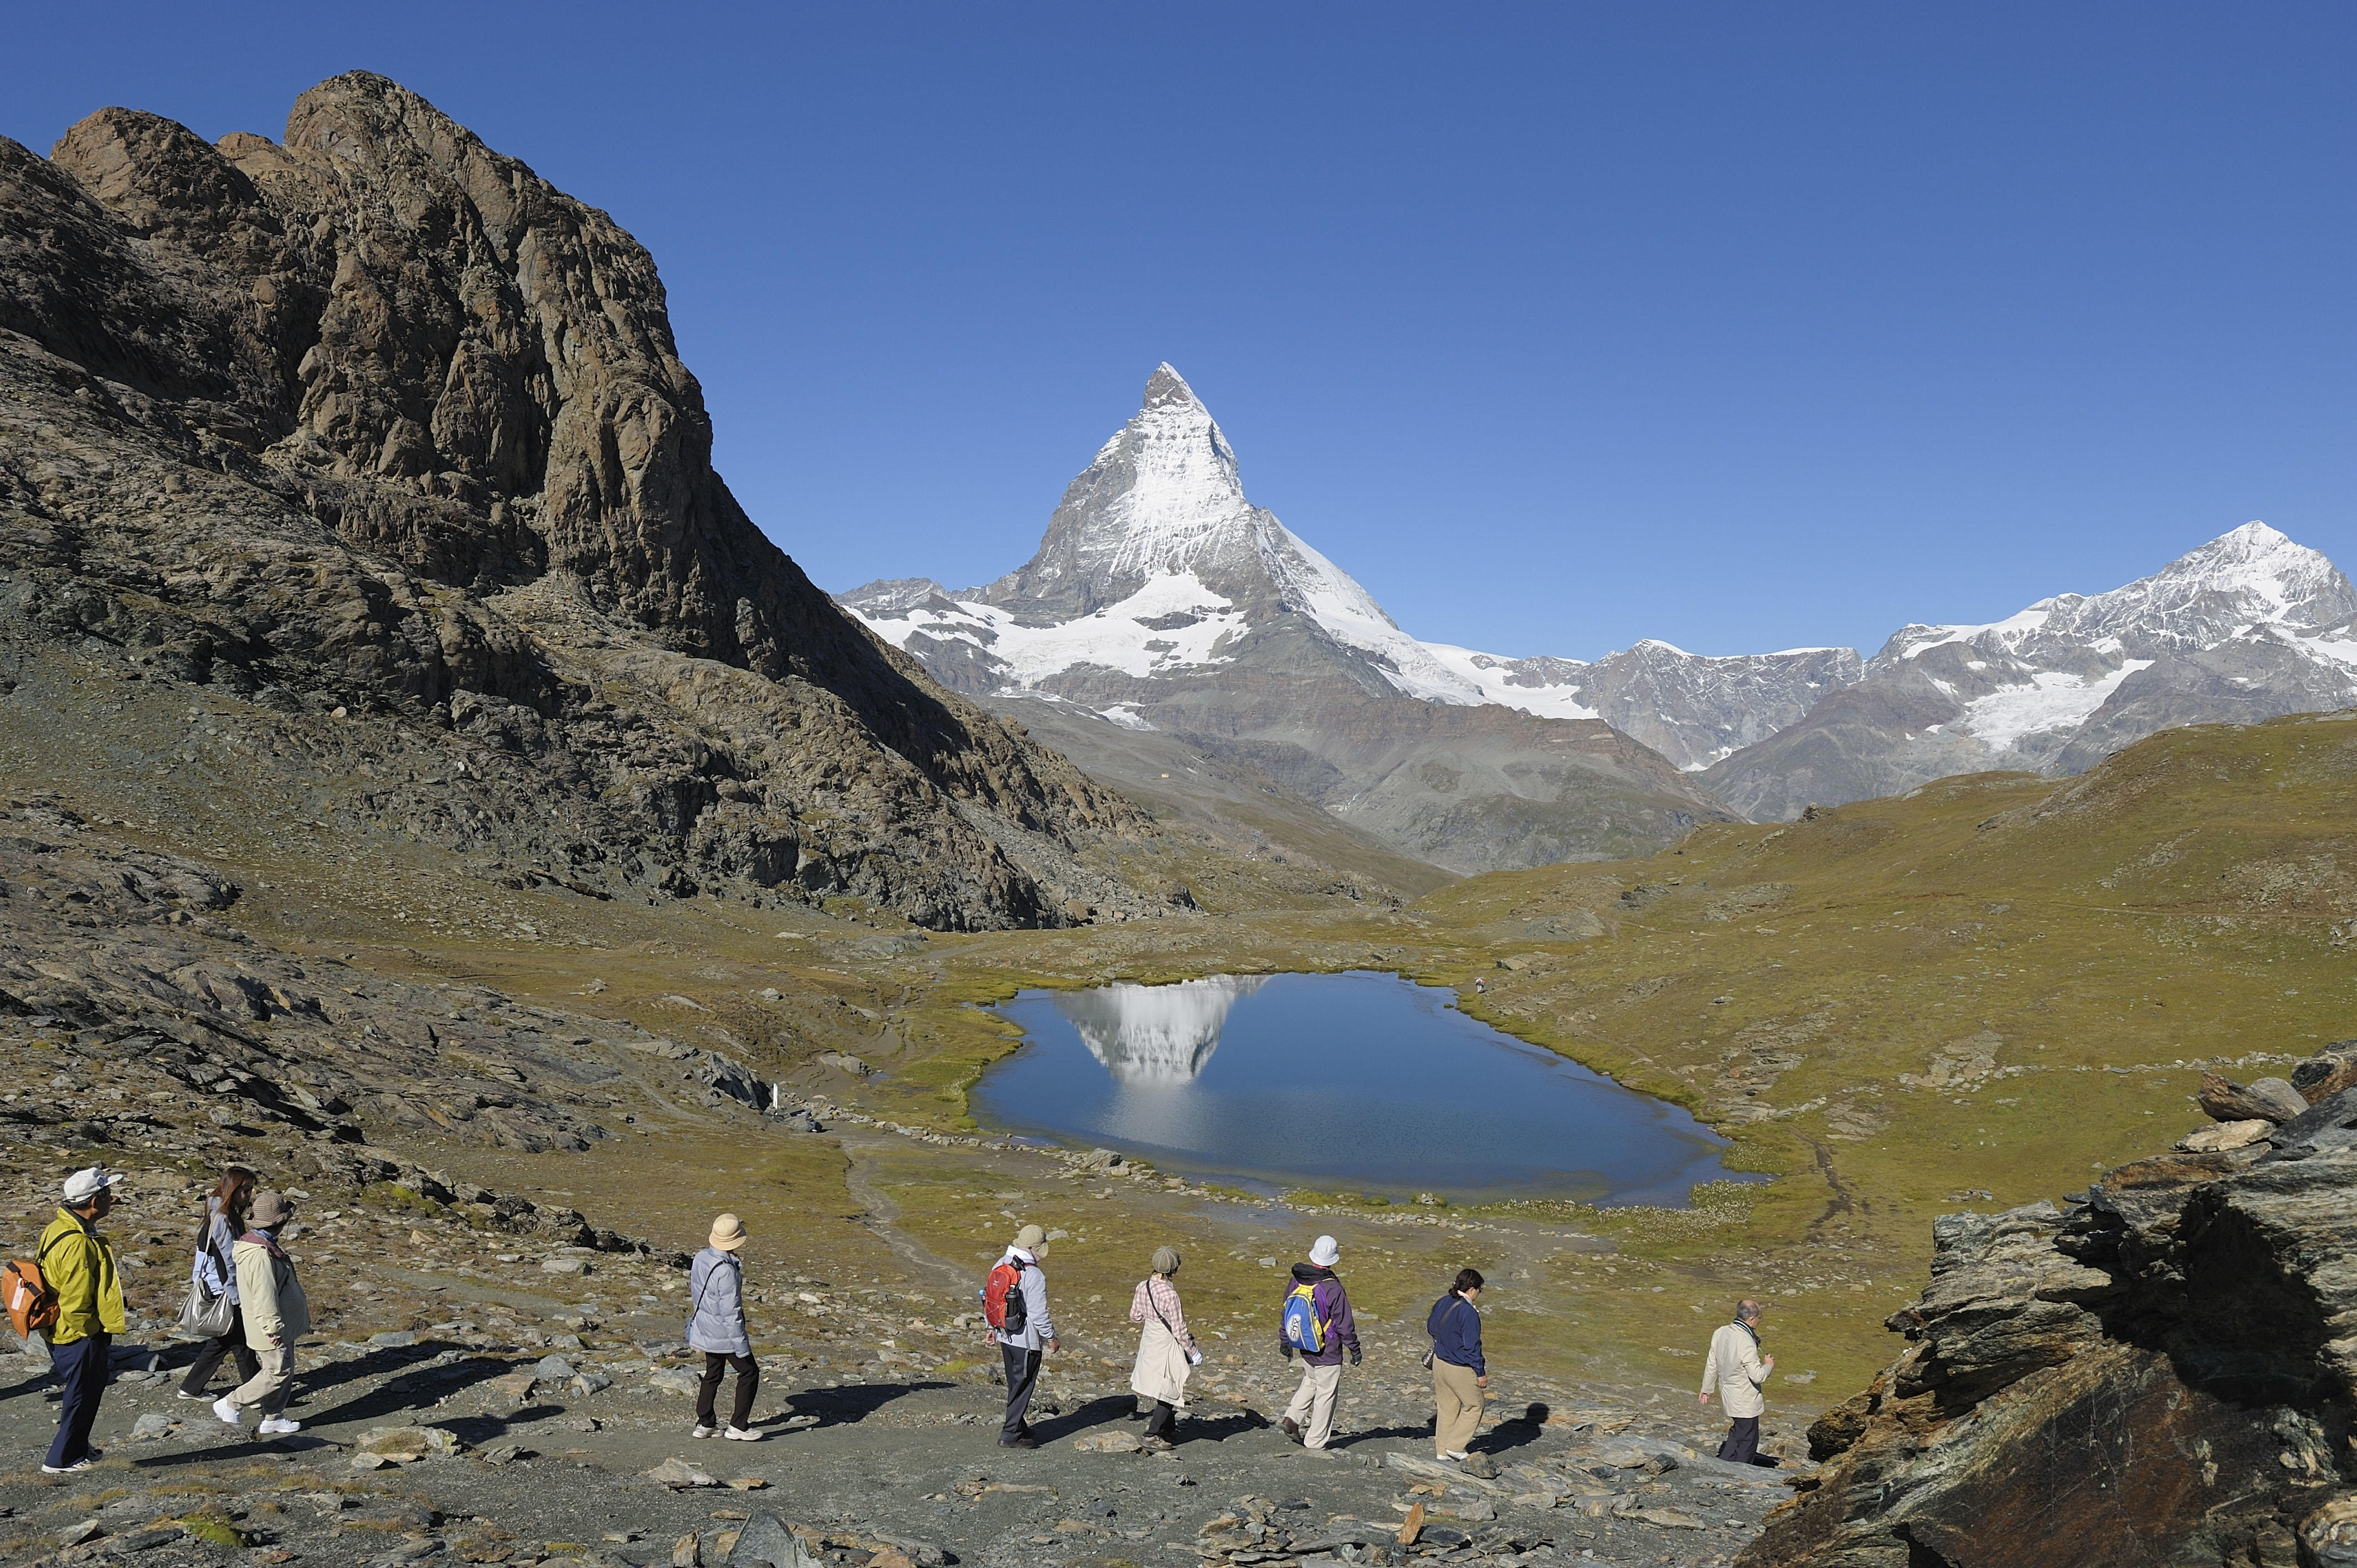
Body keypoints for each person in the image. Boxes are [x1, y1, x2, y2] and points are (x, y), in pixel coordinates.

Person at [40, 1164, 126, 1474]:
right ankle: (60, 1460)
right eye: (106, 1193)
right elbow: (76, 1303)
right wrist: (93, 1333)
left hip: (60, 1329)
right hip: (77, 1334)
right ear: (94, 1201)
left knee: (82, 1391)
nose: (111, 1198)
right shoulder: (78, 1243)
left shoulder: (60, 1227)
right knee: (81, 1394)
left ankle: (76, 1446)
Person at [213, 1189, 310, 1435]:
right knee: (277, 1372)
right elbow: (264, 1295)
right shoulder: (260, 1254)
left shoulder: (261, 1245)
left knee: (285, 1371)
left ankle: (273, 1417)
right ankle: (230, 1403)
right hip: (270, 1325)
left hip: (280, 1322)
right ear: (280, 1222)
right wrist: (273, 1328)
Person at [177, 1166, 260, 1401]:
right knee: (239, 1340)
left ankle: (191, 1388)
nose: (248, 1195)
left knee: (229, 1340)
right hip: (223, 1288)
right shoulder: (223, 1219)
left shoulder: (219, 1213)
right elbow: (228, 1260)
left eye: (250, 1190)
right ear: (232, 1190)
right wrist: (238, 1293)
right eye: (245, 1190)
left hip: (218, 1285)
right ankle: (255, 1394)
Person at [1277, 1234, 1360, 1451]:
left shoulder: (1297, 1280)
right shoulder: (1333, 1288)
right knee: (1326, 1394)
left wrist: (1285, 1339)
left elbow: (1287, 1311)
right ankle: (1315, 1442)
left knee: (1311, 1380)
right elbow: (1344, 1323)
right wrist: (1354, 1349)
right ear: (1333, 1259)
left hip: (1304, 1344)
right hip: (1328, 1349)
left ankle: (1293, 1418)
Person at [687, 1213, 762, 1441]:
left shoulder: (701, 1257)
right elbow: (731, 1313)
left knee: (713, 1372)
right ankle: (738, 1426)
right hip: (724, 1332)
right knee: (749, 1372)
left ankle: (705, 1423)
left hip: (706, 1327)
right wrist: (742, 1345)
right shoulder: (728, 1272)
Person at [990, 1223, 1058, 1448]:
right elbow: (1039, 1316)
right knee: (1023, 1385)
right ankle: (1010, 1434)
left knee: (1015, 1382)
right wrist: (1051, 1338)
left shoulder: (1001, 1263)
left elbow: (991, 1300)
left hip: (1004, 1335)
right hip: (1026, 1340)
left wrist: (991, 1328)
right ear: (1035, 1248)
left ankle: (1019, 1424)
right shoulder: (1034, 1275)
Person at [1129, 1246, 1200, 1451]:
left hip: (1150, 1338)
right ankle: (1152, 1434)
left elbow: (1135, 1316)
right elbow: (1179, 1330)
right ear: (1174, 1270)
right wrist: (1194, 1352)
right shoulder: (1171, 1295)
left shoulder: (1143, 1286)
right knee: (1170, 1387)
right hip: (1166, 1342)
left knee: (1160, 1382)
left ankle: (1169, 1428)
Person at [1699, 1297, 1777, 1466]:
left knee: (1738, 1432)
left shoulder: (1720, 1332)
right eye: (1759, 1319)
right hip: (1745, 1398)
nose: (1759, 1322)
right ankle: (1741, 1471)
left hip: (1729, 1394)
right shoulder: (1745, 1340)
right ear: (1751, 1319)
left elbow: (1712, 1362)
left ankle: (1723, 1463)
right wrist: (1768, 1366)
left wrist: (1707, 1388)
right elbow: (1757, 1375)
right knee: (1748, 1439)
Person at [1427, 1267, 1488, 1461]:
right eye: (1479, 1289)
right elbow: (1472, 1346)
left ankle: (1442, 1451)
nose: (1479, 1293)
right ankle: (1455, 1446)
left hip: (1439, 1362)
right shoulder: (1468, 1312)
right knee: (1475, 1406)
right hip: (1459, 1367)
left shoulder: (1444, 1301)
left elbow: (1430, 1327)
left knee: (1447, 1407)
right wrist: (1480, 1372)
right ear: (1472, 1289)